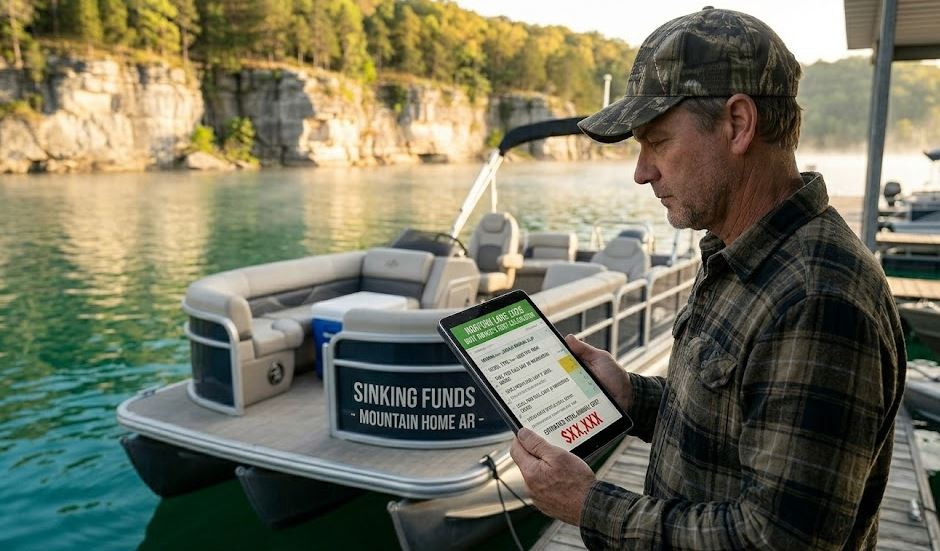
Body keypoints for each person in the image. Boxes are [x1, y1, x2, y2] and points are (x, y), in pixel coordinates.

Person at [509, 7, 906, 549]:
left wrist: (590, 506)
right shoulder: (740, 253)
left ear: (738, 124)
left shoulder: (818, 299)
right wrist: (633, 397)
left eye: (657, 141)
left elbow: (778, 539)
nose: (641, 171)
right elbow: (735, 426)